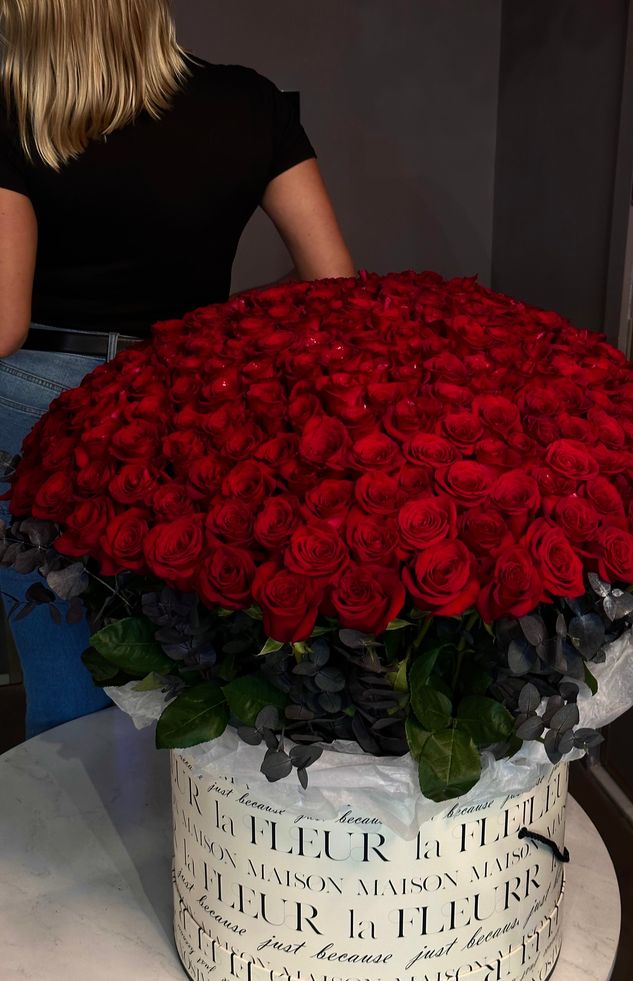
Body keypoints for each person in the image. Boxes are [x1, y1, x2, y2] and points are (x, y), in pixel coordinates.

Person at [0, 0, 355, 738]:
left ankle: (74, 844)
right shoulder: (249, 102)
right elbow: (333, 287)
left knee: (64, 658)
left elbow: (2, 322)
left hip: (35, 399)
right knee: (179, 649)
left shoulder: (15, 111)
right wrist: (207, 332)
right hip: (180, 398)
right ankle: (185, 834)